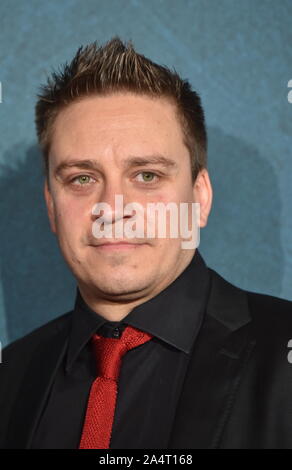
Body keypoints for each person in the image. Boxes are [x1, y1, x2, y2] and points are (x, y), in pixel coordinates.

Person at [1, 37, 292, 450]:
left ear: (200, 198)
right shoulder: (11, 373)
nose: (112, 209)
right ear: (51, 208)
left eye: (147, 176)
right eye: (82, 178)